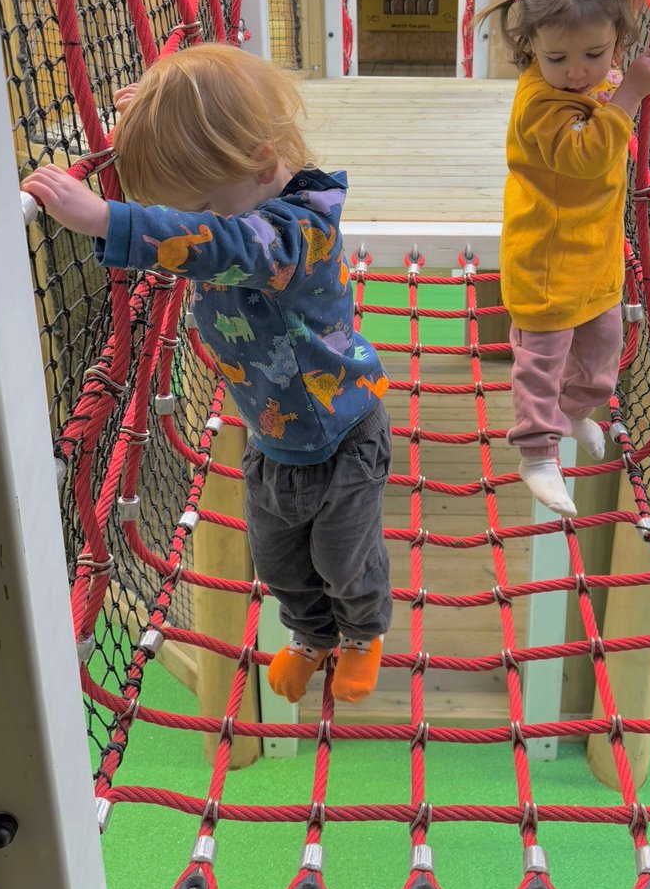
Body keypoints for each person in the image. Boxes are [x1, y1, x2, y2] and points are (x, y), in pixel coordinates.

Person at [22, 44, 392, 704]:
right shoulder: (249, 177)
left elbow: (222, 243)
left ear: (255, 164)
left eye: (204, 207)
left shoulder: (294, 236)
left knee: (343, 558)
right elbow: (222, 152)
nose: (198, 222)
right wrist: (165, 121)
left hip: (344, 434)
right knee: (279, 561)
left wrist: (104, 219)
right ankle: (312, 637)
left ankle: (362, 633)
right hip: (273, 436)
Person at [475, 0, 650, 515]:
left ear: (616, 34)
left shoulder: (594, 65)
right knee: (540, 361)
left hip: (592, 252)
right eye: (556, 58)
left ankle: (576, 411)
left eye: (594, 53)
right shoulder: (540, 103)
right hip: (544, 258)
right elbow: (586, 156)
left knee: (605, 343)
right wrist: (629, 89)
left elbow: (610, 35)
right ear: (528, 40)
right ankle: (536, 452)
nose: (577, 72)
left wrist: (632, 7)